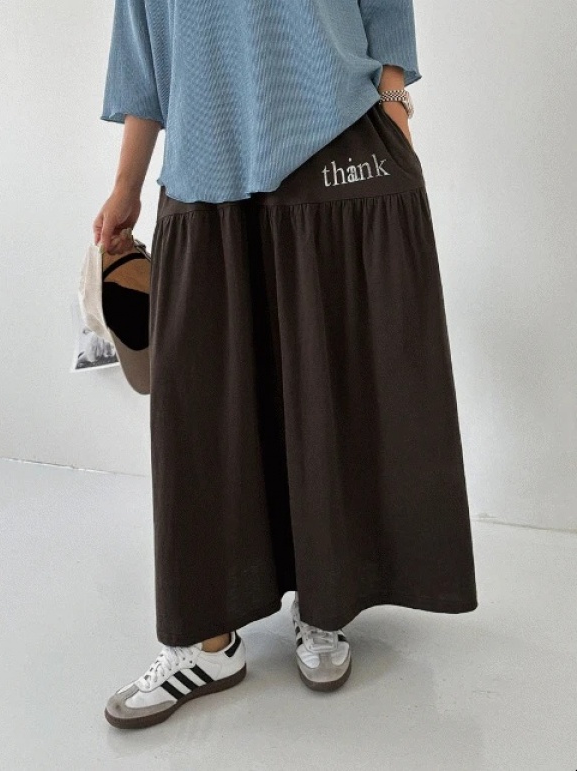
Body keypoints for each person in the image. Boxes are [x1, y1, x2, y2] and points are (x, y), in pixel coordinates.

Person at [93, 0, 478, 730]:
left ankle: (324, 602)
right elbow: (142, 52)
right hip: (203, 162)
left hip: (336, 139)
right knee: (200, 410)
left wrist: (394, 105)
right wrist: (126, 186)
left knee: (326, 390)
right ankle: (206, 641)